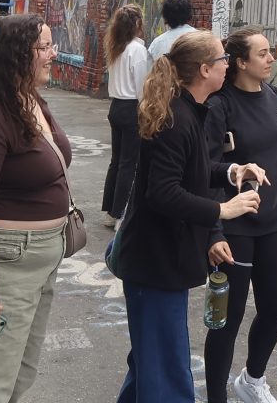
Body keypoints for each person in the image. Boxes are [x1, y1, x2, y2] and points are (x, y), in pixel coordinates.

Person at [113, 30, 266, 403]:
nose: (227, 64)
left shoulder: (189, 111)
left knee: (151, 364)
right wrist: (221, 210)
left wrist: (232, 171)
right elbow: (163, 192)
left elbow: (193, 170)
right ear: (204, 70)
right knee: (167, 373)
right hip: (155, 264)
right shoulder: (176, 118)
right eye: (222, 59)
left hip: (162, 263)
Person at [0, 15, 67, 402]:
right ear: (17, 54)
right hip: (7, 267)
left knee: (19, 375)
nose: (52, 54)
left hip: (38, 265)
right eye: (44, 47)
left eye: (52, 45)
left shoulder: (30, 101)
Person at [203, 26, 277, 403]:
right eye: (262, 53)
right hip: (234, 229)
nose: (271, 58)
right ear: (241, 62)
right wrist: (214, 230)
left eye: (269, 52)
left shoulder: (276, 98)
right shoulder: (220, 106)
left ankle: (252, 380)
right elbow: (206, 171)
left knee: (275, 308)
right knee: (226, 320)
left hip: (273, 224)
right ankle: (216, 397)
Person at [101, 5, 148, 228]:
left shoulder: (117, 47)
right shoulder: (137, 50)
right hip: (131, 108)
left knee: (117, 162)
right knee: (129, 164)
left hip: (116, 107)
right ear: (137, 24)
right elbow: (141, 86)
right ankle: (120, 212)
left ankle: (111, 211)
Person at [147, 0, 197, 68]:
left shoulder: (156, 45)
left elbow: (149, 72)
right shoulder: (202, 40)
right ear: (189, 13)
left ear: (165, 16)